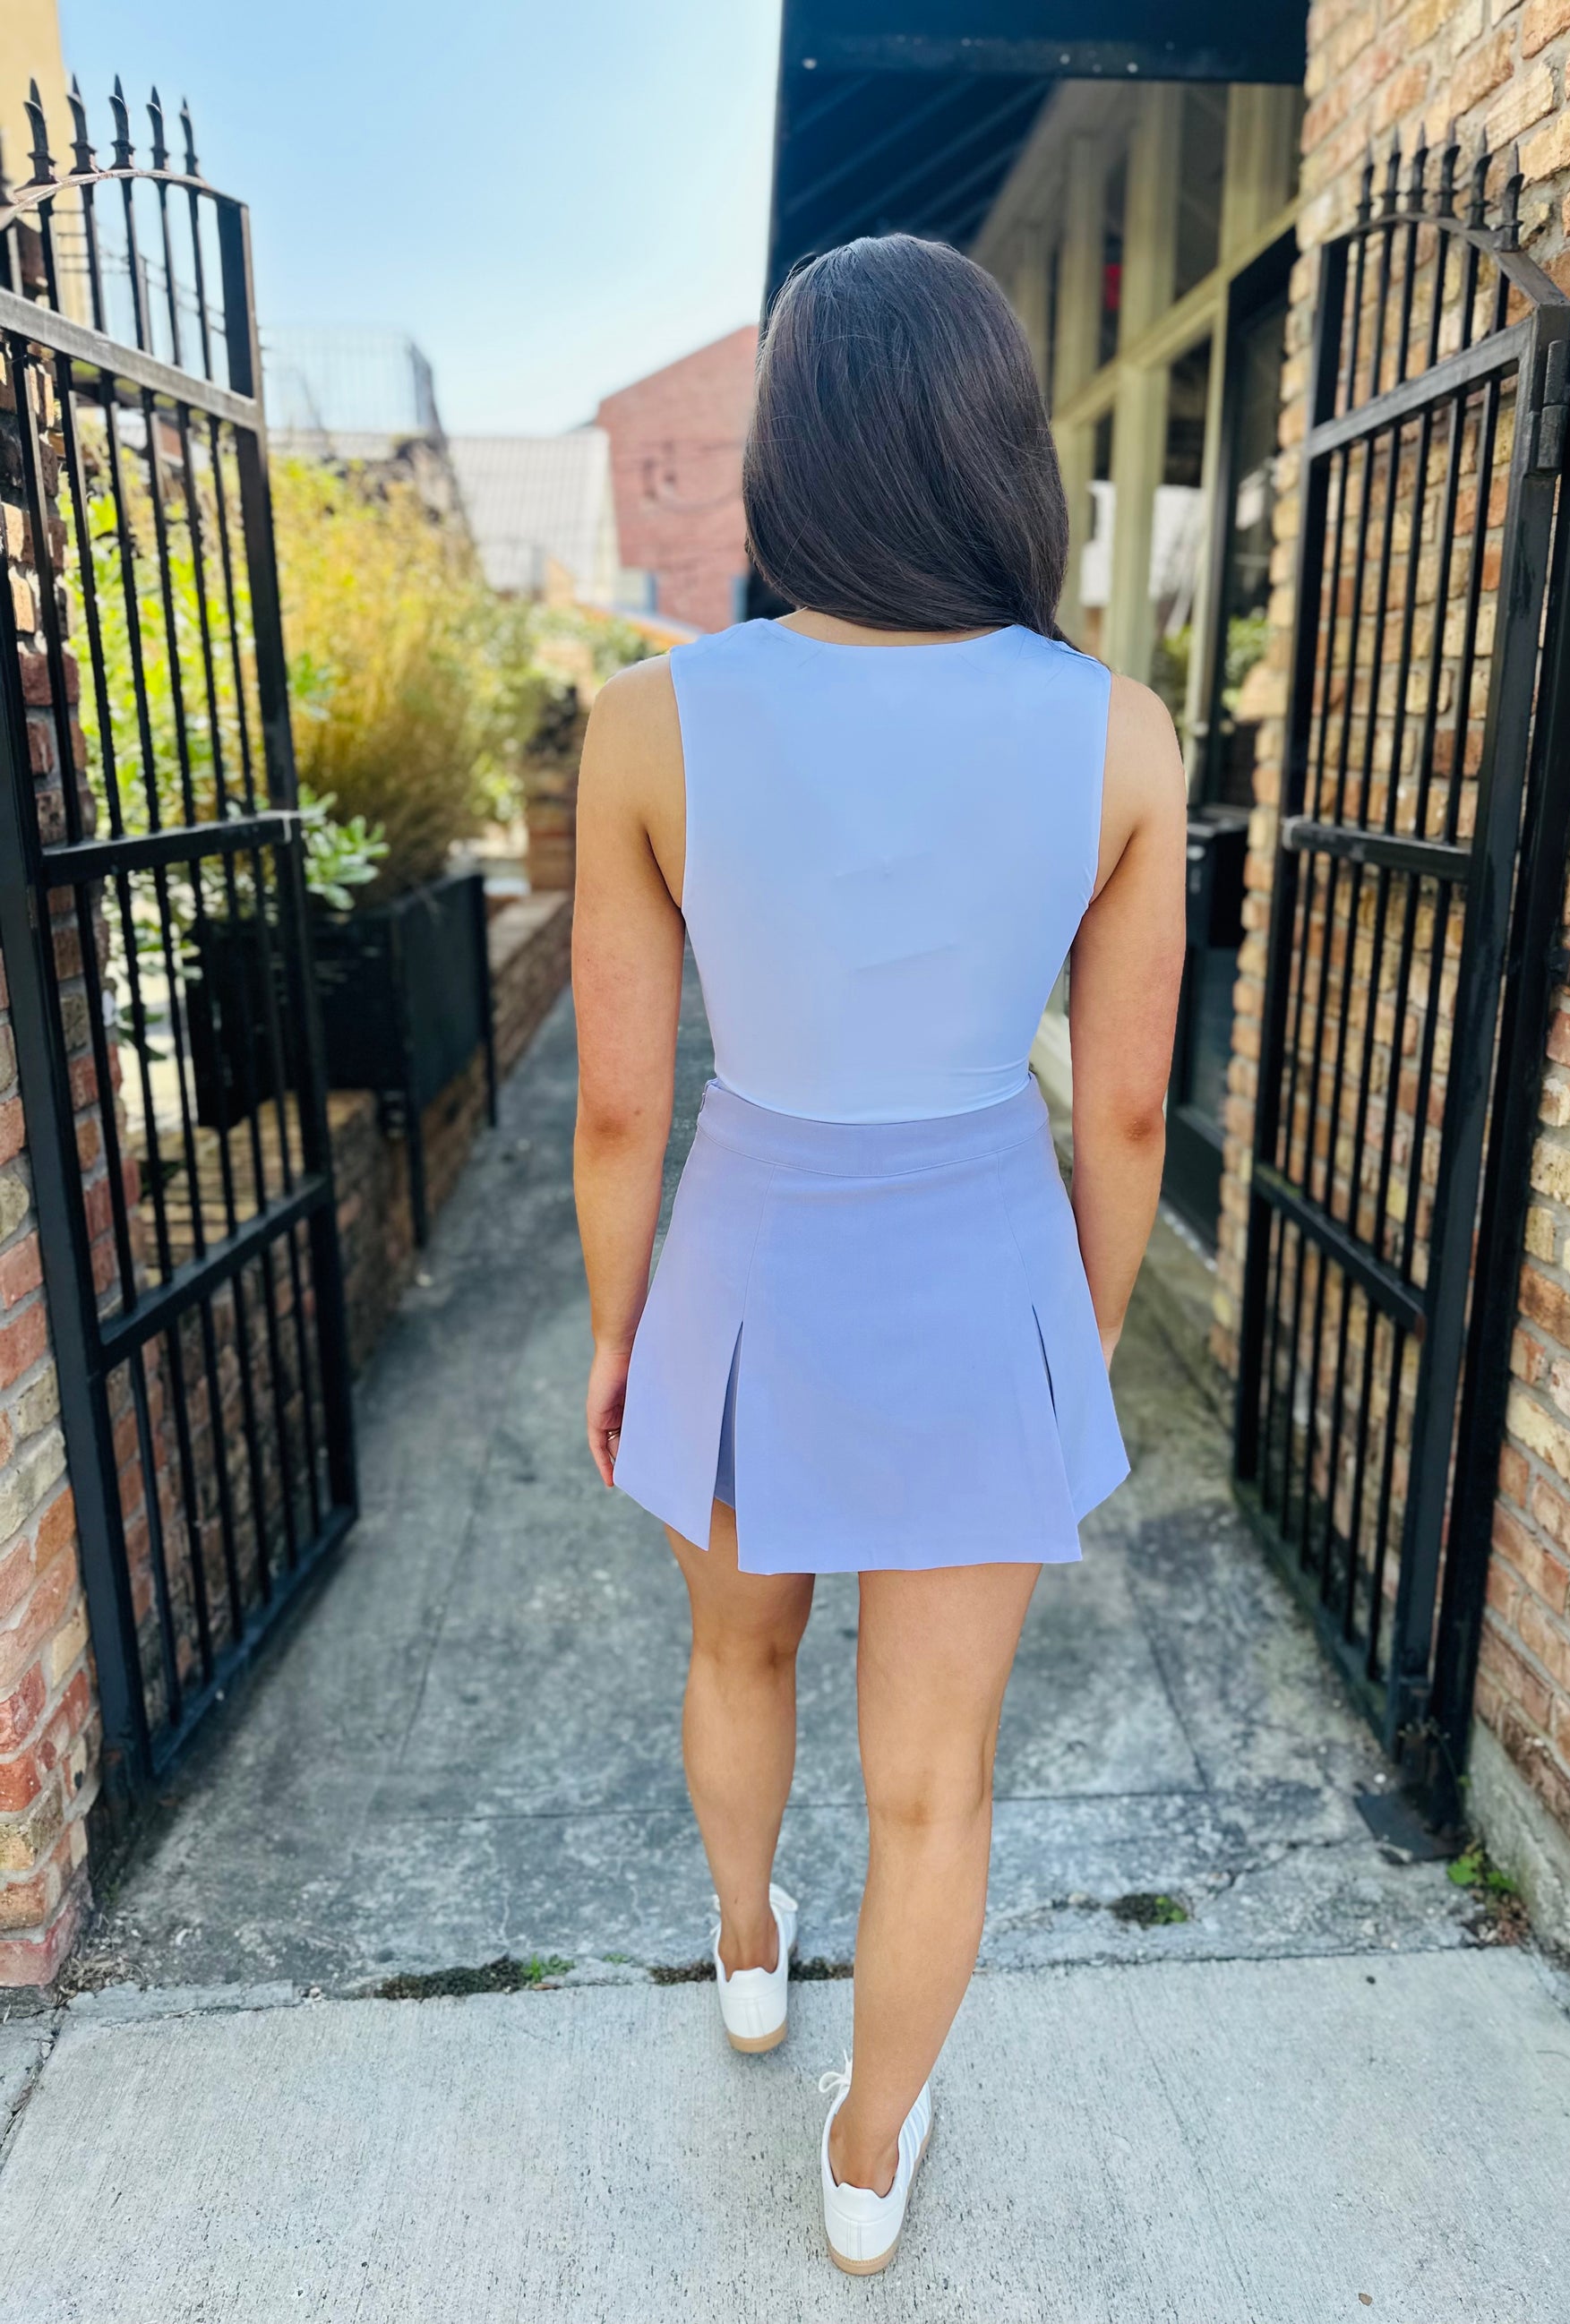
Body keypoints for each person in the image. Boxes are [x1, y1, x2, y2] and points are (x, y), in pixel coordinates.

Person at [571, 231, 1185, 2277]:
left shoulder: (653, 720)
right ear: (999, 444)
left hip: (743, 1270)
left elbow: (619, 1112)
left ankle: (746, 1945)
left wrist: (617, 1333)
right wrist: (1071, 1345)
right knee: (936, 1779)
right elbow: (1121, 1116)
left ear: (790, 452)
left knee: (734, 1648)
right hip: (983, 1273)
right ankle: (863, 2149)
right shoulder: (1118, 733)